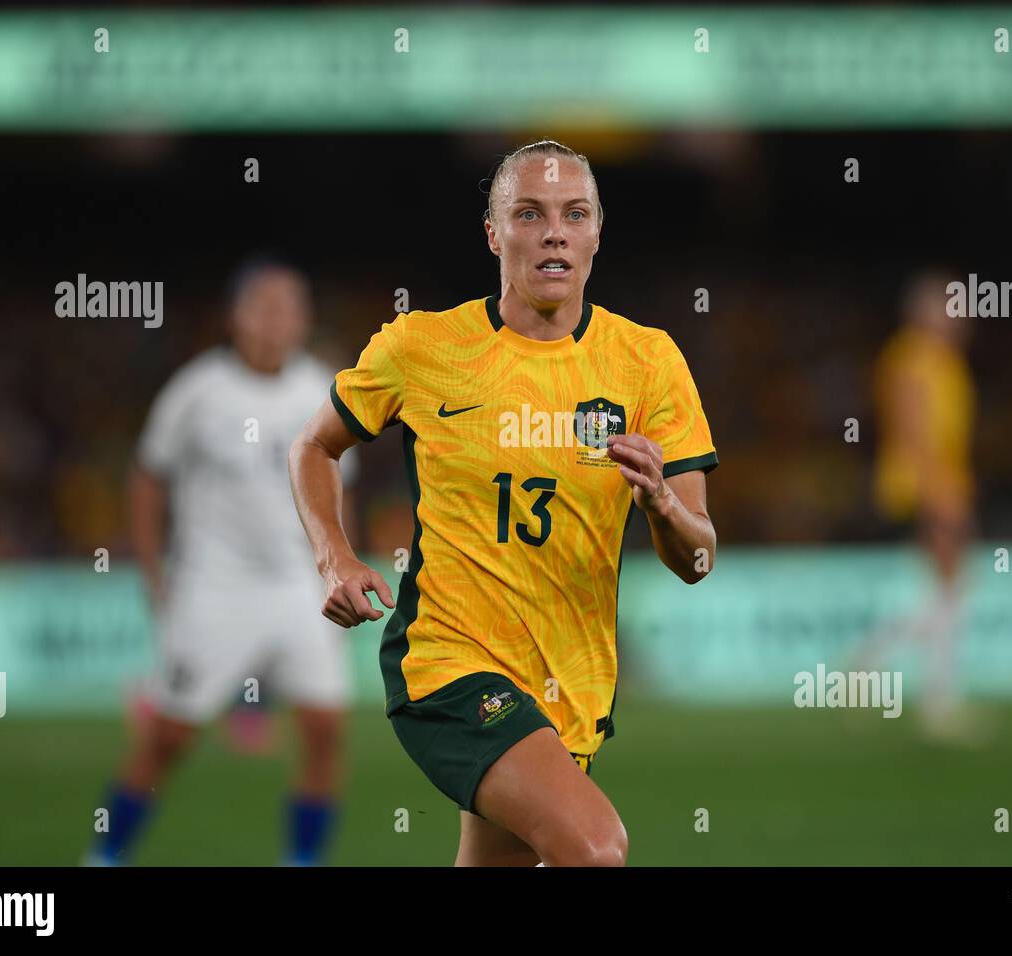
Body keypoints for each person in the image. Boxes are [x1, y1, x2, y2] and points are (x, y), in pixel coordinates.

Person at [289, 140, 718, 866]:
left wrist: (662, 507)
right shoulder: (424, 346)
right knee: (595, 848)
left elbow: (699, 557)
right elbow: (313, 447)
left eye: (573, 214)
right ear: (494, 234)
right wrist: (333, 556)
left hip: (572, 682)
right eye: (530, 213)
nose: (554, 231)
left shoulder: (648, 361)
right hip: (447, 663)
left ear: (595, 234)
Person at [88, 259, 358, 866]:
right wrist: (155, 574)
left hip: (301, 586)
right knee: (168, 739)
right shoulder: (198, 391)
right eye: (262, 306)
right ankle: (104, 856)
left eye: (288, 306)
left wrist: (344, 565)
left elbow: (344, 488)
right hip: (215, 588)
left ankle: (302, 862)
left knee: (324, 731)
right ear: (235, 316)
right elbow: (147, 479)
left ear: (304, 318)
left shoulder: (324, 389)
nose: (274, 319)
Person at [858, 270, 982, 741]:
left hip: (943, 482)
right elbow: (914, 433)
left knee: (947, 593)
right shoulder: (913, 359)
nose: (963, 314)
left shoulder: (944, 360)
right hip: (924, 486)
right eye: (952, 305)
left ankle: (875, 667)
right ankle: (933, 699)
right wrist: (941, 495)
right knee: (951, 592)